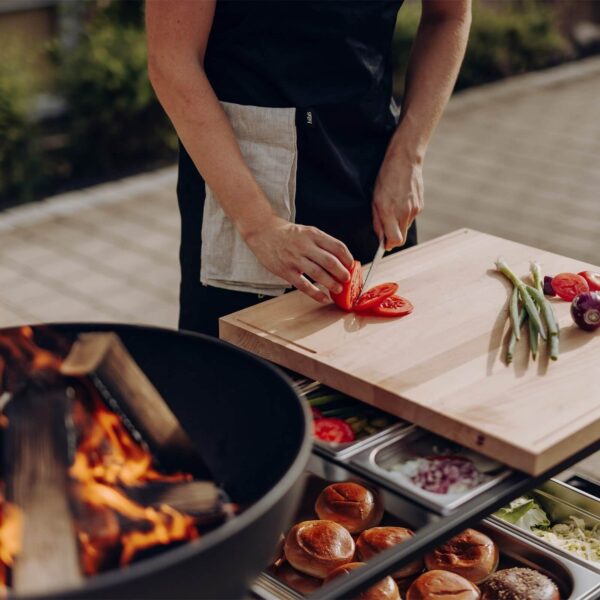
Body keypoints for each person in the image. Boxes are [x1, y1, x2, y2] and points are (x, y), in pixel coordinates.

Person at [146, 0, 471, 336]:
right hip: (243, 196)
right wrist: (258, 223)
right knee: (242, 381)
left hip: (374, 180)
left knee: (380, 364)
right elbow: (172, 61)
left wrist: (410, 153)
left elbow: (448, 15)